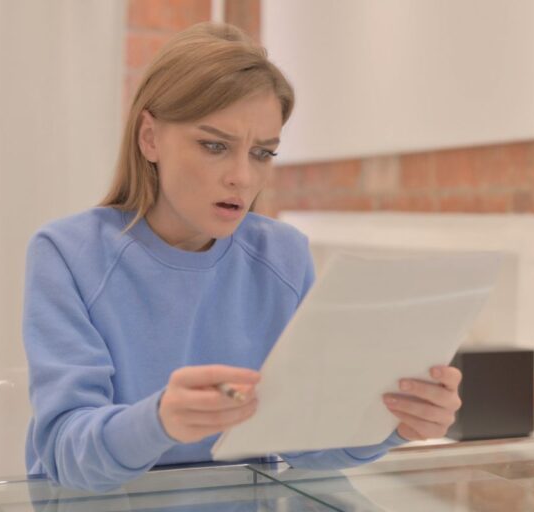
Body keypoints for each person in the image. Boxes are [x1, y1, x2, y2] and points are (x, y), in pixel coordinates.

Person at [23, 22, 463, 493]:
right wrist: (160, 421)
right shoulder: (68, 254)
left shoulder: (284, 255)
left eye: (262, 153)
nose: (242, 177)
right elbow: (66, 453)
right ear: (149, 137)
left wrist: (391, 422)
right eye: (214, 146)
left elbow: (304, 445)